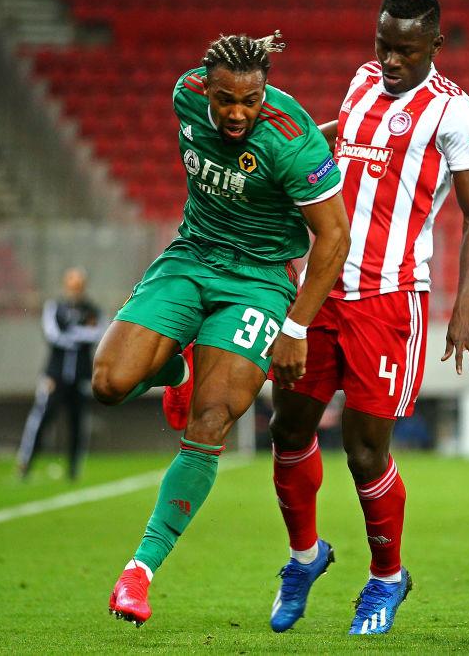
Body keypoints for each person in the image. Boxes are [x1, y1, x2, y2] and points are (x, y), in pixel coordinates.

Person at [94, 32, 350, 627]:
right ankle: (175, 369)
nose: (238, 113)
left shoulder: (292, 137)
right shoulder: (184, 93)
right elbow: (214, 70)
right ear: (206, 88)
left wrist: (296, 327)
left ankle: (139, 572)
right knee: (108, 383)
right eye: (226, 99)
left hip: (259, 280)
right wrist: (241, 49)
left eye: (251, 101)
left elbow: (334, 236)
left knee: (211, 418)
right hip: (191, 257)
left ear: (266, 93)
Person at [267, 0, 469, 635]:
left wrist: (465, 306)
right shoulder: (363, 80)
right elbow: (342, 137)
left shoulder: (454, 112)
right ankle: (305, 557)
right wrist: (293, 147)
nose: (391, 61)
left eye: (406, 50)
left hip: (390, 299)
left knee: (365, 452)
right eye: (383, 46)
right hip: (321, 290)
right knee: (288, 429)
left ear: (435, 45)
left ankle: (387, 578)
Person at [16, 267, 102, 481]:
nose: (75, 290)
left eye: (79, 286)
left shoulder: (92, 310)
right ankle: (26, 462)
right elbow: (53, 335)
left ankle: (74, 468)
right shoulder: (54, 307)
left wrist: (71, 333)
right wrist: (78, 334)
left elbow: (97, 334)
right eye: (72, 285)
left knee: (78, 422)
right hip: (54, 376)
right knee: (41, 418)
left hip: (81, 376)